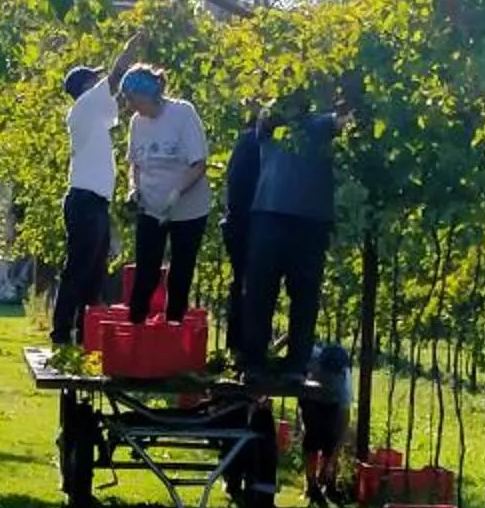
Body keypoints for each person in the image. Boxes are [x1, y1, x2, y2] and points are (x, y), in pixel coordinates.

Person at [235, 88, 353, 376]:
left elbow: (345, 121)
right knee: (260, 291)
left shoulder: (321, 124)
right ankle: (253, 361)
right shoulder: (270, 125)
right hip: (269, 215)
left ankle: (296, 363)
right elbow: (266, 116)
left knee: (304, 294)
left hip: (310, 221)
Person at [50, 30, 142, 346]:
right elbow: (116, 77)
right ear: (85, 87)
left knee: (93, 272)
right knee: (79, 268)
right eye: (94, 81)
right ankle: (62, 334)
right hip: (85, 201)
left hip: (94, 202)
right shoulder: (86, 106)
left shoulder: (94, 116)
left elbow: (117, 104)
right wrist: (130, 51)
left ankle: (83, 333)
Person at [122, 66, 210, 324]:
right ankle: (135, 327)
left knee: (180, 270)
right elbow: (135, 163)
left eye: (134, 100)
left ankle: (174, 325)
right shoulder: (137, 122)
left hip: (187, 208)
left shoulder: (183, 114)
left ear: (149, 95)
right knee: (146, 270)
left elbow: (199, 164)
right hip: (150, 206)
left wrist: (176, 193)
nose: (132, 107)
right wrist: (133, 188)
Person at [220, 108, 264, 361]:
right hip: (248, 227)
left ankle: (239, 350)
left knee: (243, 286)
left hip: (241, 225)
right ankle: (243, 351)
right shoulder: (252, 144)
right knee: (248, 288)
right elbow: (238, 193)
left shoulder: (247, 143)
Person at [297, 339, 353, 507]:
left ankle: (328, 481)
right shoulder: (311, 355)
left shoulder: (344, 387)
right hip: (309, 394)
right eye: (326, 375)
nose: (329, 379)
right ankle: (311, 485)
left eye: (333, 377)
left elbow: (343, 427)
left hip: (332, 402)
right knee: (312, 438)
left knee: (331, 438)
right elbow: (290, 337)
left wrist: (329, 463)